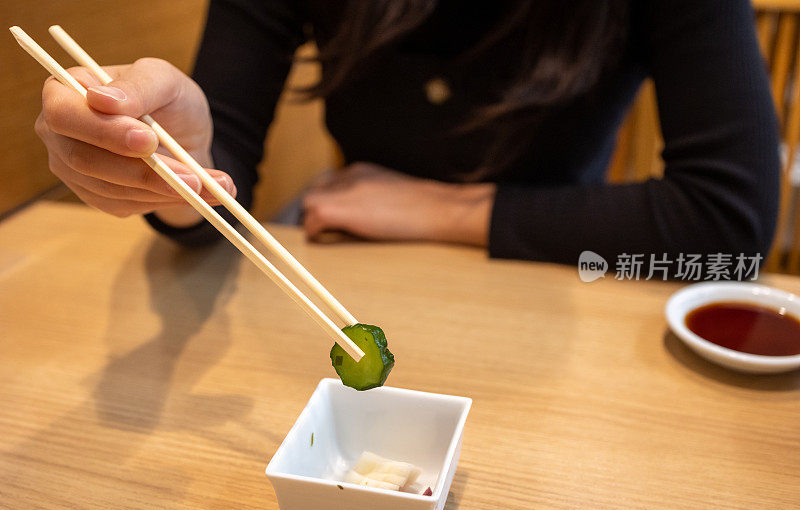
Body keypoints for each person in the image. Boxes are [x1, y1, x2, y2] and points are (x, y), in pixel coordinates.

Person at [34, 0, 779, 265]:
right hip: (353, 261)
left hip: (563, 267)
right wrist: (175, 170)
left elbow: (728, 222)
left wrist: (440, 208)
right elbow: (216, 195)